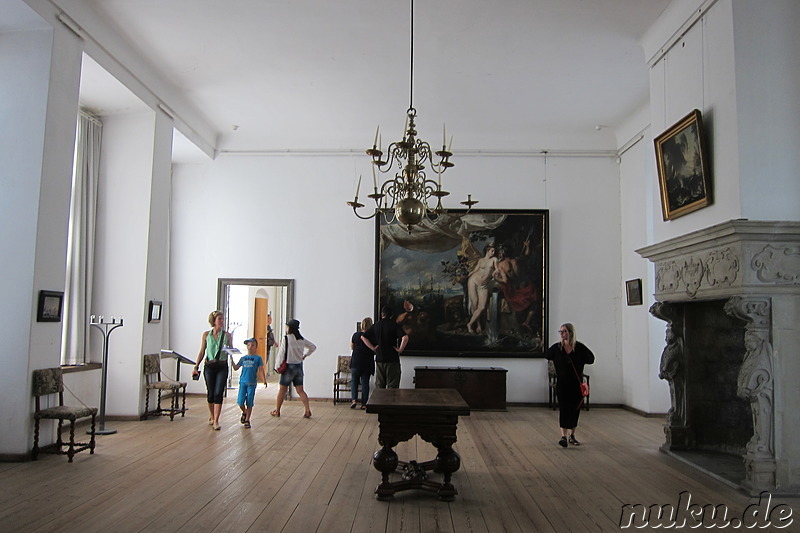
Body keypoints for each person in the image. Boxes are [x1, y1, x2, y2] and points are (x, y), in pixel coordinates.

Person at [544, 323, 595, 447]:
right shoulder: (557, 348)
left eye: (564, 331)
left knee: (574, 410)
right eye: (560, 331)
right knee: (564, 409)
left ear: (570, 333)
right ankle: (563, 436)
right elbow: (547, 355)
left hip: (576, 385)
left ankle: (572, 435)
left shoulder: (580, 348)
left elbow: (591, 359)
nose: (562, 333)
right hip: (562, 384)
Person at [192, 310, 233, 430]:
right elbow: (202, 351)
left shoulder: (227, 335)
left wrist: (233, 355)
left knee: (218, 392)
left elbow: (230, 350)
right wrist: (196, 366)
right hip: (209, 366)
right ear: (213, 321)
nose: (222, 321)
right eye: (219, 319)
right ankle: (211, 415)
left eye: (222, 319)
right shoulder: (206, 335)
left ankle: (216, 420)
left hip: (222, 365)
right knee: (210, 392)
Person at [271, 319, 316, 418]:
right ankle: (307, 410)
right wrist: (305, 355)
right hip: (299, 366)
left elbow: (281, 353)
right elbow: (313, 347)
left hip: (288, 367)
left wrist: (276, 366)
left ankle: (277, 411)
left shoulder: (286, 338)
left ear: (289, 328)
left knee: (282, 390)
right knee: (300, 390)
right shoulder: (301, 339)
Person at [362, 306, 408, 389]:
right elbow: (405, 337)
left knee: (379, 387)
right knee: (392, 386)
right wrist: (400, 349)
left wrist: (373, 348)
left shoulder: (376, 325)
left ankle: (380, 402)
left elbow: (363, 337)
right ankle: (391, 402)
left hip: (379, 359)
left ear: (382, 315)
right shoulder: (394, 325)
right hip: (392, 359)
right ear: (391, 315)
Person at [231, 338, 267, 429]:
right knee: (240, 401)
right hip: (243, 382)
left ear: (256, 347)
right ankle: (245, 412)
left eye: (253, 345)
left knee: (250, 401)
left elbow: (261, 369)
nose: (250, 347)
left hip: (252, 383)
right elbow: (236, 367)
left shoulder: (258, 358)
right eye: (249, 345)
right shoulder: (243, 358)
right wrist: (231, 359)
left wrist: (264, 379)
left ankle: (247, 419)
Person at [466, 242, 497, 333]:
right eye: (492, 250)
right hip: (473, 281)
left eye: (494, 251)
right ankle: (478, 325)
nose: (493, 252)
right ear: (487, 250)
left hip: (483, 285)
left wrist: (496, 271)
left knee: (482, 307)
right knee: (474, 303)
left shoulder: (494, 259)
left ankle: (469, 323)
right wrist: (467, 275)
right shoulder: (481, 260)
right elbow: (475, 270)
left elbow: (497, 269)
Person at [350, 317, 375, 409]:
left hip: (356, 361)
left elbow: (352, 347)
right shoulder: (372, 336)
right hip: (367, 362)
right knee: (365, 382)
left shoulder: (355, 335)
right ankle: (364, 404)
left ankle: (354, 400)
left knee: (354, 382)